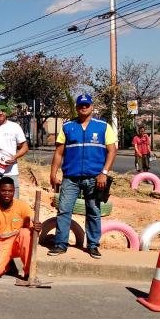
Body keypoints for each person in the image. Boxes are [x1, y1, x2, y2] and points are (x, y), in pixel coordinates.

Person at [48, 94, 117, 259]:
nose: (84, 108)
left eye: (87, 105)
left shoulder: (103, 126)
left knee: (93, 210)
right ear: (77, 107)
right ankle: (60, 244)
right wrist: (53, 173)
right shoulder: (67, 127)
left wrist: (104, 173)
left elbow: (112, 151)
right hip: (70, 177)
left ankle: (93, 245)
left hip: (95, 178)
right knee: (64, 210)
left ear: (92, 107)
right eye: (81, 105)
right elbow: (59, 153)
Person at [0, 177, 42, 279]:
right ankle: (7, 265)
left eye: (10, 191)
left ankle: (29, 273)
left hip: (17, 242)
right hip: (1, 245)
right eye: (3, 191)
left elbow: (32, 225)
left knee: (26, 233)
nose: (7, 194)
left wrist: (38, 227)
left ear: (14, 191)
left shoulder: (22, 206)